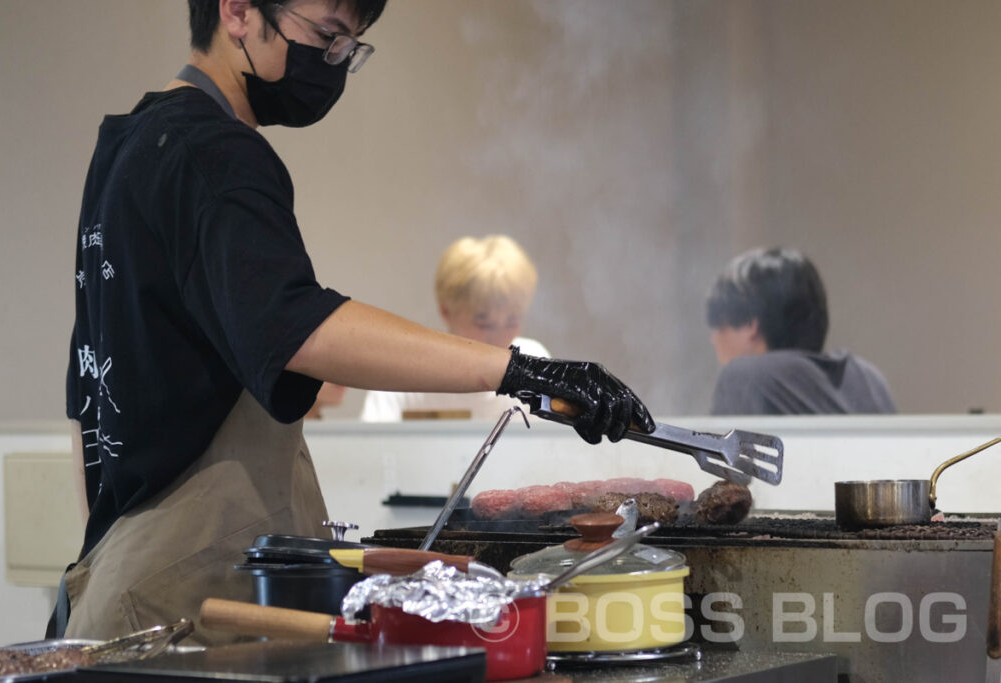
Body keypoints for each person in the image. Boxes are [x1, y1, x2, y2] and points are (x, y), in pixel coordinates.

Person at [62, 0, 653, 644]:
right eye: (327, 35)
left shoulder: (129, 147)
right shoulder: (218, 154)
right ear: (236, 11)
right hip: (185, 606)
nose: (335, 63)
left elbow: (83, 396)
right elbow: (301, 326)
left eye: (351, 46)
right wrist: (517, 369)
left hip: (124, 587)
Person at [361, 234, 550, 421]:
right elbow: (372, 444)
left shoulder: (533, 366)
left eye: (512, 321)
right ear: (446, 311)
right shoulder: (406, 369)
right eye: (484, 323)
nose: (499, 337)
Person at [705, 247, 896, 415]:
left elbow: (718, 452)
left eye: (719, 326)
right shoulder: (868, 379)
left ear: (749, 326)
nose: (713, 339)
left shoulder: (745, 377)